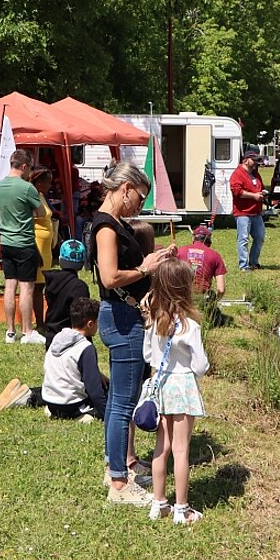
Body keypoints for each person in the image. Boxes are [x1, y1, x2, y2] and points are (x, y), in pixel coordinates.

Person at [90, 161, 177, 506]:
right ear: (124, 190)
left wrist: (150, 260)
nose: (140, 206)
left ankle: (117, 465)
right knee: (123, 405)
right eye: (139, 198)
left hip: (121, 315)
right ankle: (119, 484)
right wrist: (145, 267)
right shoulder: (106, 228)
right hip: (122, 318)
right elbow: (110, 278)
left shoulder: (112, 223)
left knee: (117, 403)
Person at [144, 257, 210, 525]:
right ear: (185, 288)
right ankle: (182, 509)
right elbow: (201, 365)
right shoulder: (190, 326)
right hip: (182, 386)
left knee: (162, 448)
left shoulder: (153, 322)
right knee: (182, 451)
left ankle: (159, 503)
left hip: (161, 387)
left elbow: (148, 355)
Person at [0, 297, 107, 420]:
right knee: (109, 397)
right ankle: (83, 416)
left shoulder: (58, 338)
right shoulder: (85, 347)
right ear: (90, 324)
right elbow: (94, 391)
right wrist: (106, 414)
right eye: (97, 322)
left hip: (51, 401)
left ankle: (31, 397)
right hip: (71, 406)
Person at [0, 149, 49, 345]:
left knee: (10, 286)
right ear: (24, 166)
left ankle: (10, 331)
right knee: (26, 287)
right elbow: (42, 213)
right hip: (24, 243)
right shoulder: (27, 188)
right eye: (30, 168)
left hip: (6, 242)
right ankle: (27, 331)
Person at [42, 238, 90, 341]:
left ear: (60, 259)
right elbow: (82, 317)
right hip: (72, 339)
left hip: (52, 337)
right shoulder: (79, 287)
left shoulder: (51, 282)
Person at [229, 149, 267, 271]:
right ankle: (243, 265)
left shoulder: (256, 174)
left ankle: (254, 262)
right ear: (246, 160)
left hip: (256, 212)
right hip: (243, 213)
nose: (256, 163)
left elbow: (259, 186)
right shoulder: (237, 174)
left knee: (259, 237)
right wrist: (254, 196)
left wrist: (262, 194)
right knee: (243, 239)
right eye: (254, 160)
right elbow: (237, 191)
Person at [179, 223, 227, 317]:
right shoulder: (215, 256)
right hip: (201, 295)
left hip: (179, 295)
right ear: (209, 240)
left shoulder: (180, 251)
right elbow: (221, 289)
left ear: (193, 238)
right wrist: (213, 303)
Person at [30, 166, 57, 333]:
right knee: (37, 286)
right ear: (39, 182)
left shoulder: (41, 196)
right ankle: (39, 323)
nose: (50, 186)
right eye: (47, 182)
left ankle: (43, 320)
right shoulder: (32, 197)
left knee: (43, 284)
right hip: (37, 243)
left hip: (46, 246)